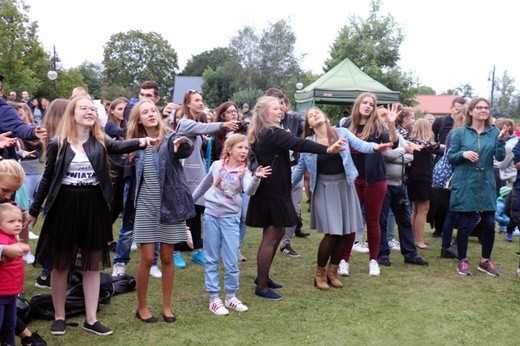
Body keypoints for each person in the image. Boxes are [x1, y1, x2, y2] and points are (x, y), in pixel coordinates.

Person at [26, 95, 156, 336]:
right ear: (72, 114)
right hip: (65, 205)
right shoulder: (59, 143)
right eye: (83, 108)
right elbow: (47, 178)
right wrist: (34, 209)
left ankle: (91, 318)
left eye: (92, 109)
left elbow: (117, 146)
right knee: (61, 264)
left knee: (92, 264)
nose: (88, 112)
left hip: (93, 206)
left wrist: (142, 141)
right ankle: (59, 316)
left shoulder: (100, 140)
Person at [246, 96, 346, 300]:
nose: (280, 110)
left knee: (278, 231)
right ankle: (262, 287)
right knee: (271, 236)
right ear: (265, 112)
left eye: (280, 107)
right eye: (275, 108)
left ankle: (262, 278)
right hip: (273, 190)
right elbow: (299, 144)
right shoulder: (271, 132)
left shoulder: (264, 131)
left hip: (274, 188)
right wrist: (327, 149)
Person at [292, 107, 392, 289]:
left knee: (346, 233)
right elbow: (300, 169)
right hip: (324, 188)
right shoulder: (308, 143)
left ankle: (333, 271)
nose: (314, 115)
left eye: (317, 112)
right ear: (309, 124)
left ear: (324, 116)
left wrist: (376, 147)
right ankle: (319, 273)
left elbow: (361, 145)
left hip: (345, 186)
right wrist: (284, 185)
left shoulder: (342, 132)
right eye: (310, 115)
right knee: (333, 232)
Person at [126, 99, 194, 324]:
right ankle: (142, 307)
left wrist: (181, 146)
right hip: (145, 205)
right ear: (139, 119)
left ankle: (166, 306)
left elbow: (184, 147)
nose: (150, 114)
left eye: (152, 110)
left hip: (170, 205)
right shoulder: (137, 144)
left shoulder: (170, 137)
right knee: (146, 258)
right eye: (145, 112)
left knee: (167, 256)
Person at [193, 133, 271, 315]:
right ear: (230, 149)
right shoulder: (216, 166)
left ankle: (230, 297)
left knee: (231, 260)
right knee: (211, 258)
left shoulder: (245, 172)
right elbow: (203, 186)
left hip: (230, 219)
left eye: (246, 148)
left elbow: (249, 191)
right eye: (240, 147)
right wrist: (189, 202)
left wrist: (257, 178)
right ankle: (214, 298)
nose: (244, 151)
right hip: (211, 216)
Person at [175, 90, 240, 269]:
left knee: (196, 213)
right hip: (184, 177)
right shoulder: (185, 123)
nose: (200, 103)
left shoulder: (195, 122)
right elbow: (202, 128)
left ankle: (197, 250)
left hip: (197, 176)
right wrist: (223, 125)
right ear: (187, 104)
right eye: (196, 100)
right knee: (180, 215)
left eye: (201, 100)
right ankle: (175, 252)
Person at [340, 93, 398, 277]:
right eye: (364, 103)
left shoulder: (379, 126)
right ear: (358, 104)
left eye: (371, 104)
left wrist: (391, 123)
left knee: (373, 221)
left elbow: (393, 143)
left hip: (374, 179)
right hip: (352, 178)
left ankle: (374, 260)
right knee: (350, 221)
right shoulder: (345, 124)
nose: (367, 106)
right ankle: (343, 260)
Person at [448, 97, 507, 276]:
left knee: (489, 223)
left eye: (486, 107)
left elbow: (501, 156)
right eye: (479, 107)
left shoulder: (494, 131)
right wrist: (463, 154)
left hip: (487, 181)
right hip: (466, 180)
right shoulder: (460, 133)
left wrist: (501, 140)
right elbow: (451, 156)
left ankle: (485, 261)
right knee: (465, 224)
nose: (483, 110)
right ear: (471, 111)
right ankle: (463, 260)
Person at [0, 158, 47, 346]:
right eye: (5, 190)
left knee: (8, 323)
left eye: (13, 192)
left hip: (8, 287)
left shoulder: (5, 203)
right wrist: (4, 250)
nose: (8, 196)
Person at [266, 88, 309, 261]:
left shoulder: (295, 119)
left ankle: (285, 243)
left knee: (295, 208)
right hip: (275, 171)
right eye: (276, 104)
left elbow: (308, 128)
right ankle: (271, 241)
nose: (280, 107)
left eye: (282, 103)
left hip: (294, 167)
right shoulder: (265, 123)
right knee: (276, 210)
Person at [376, 128, 429, 268]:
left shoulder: (399, 136)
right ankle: (382, 254)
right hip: (383, 186)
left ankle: (410, 254)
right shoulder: (378, 136)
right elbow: (384, 156)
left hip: (400, 186)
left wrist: (395, 154)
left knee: (405, 220)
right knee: (382, 220)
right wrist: (403, 151)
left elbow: (411, 156)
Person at [209, 101, 250, 261]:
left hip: (242, 177)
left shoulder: (245, 131)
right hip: (223, 181)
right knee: (221, 215)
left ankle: (235, 247)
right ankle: (220, 245)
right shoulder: (217, 135)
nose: (234, 114)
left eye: (235, 111)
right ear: (223, 116)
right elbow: (213, 159)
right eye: (230, 112)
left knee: (244, 216)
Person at [429, 97, 467, 238]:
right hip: (444, 163)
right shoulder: (441, 122)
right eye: (457, 108)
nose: (458, 111)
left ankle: (451, 230)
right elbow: (431, 139)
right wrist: (440, 149)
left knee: (453, 202)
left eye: (461, 109)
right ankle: (439, 228)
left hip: (457, 164)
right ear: (451, 108)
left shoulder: (465, 127)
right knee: (441, 201)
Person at [406, 118, 437, 250]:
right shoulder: (425, 146)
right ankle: (419, 240)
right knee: (423, 209)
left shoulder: (412, 142)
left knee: (416, 209)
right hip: (423, 178)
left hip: (413, 178)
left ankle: (414, 238)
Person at [0, 203, 26, 346]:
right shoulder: (3, 241)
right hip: (1, 292)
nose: (17, 224)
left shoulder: (11, 238)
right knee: (5, 324)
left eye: (19, 221)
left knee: (10, 324)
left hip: (10, 292)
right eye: (11, 221)